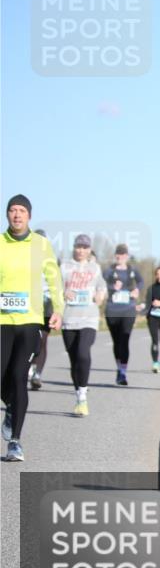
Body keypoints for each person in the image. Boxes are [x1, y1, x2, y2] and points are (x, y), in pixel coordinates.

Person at [1, 195, 64, 461]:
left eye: (22, 211)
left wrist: (58, 310)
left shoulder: (40, 245)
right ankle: (12, 407)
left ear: (29, 216)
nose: (17, 215)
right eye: (12, 210)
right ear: (7, 215)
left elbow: (53, 278)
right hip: (2, 321)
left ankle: (15, 441)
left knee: (18, 376)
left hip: (29, 322)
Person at [60, 233, 107, 416]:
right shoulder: (64, 266)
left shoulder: (95, 267)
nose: (81, 250)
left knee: (83, 353)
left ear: (89, 250)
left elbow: (102, 286)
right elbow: (54, 286)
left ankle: (82, 395)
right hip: (69, 318)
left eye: (85, 247)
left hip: (89, 318)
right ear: (74, 247)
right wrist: (64, 292)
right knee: (74, 361)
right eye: (78, 247)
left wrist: (100, 295)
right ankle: (78, 393)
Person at [104, 243, 144, 386]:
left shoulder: (132, 270)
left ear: (127, 256)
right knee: (116, 342)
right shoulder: (109, 271)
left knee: (125, 340)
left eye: (123, 254)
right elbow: (100, 285)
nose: (120, 256)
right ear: (116, 256)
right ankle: (119, 367)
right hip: (112, 310)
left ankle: (123, 372)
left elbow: (141, 281)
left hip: (128, 310)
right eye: (118, 254)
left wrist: (137, 290)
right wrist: (111, 287)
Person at [27, 229, 53, 390]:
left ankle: (37, 374)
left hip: (46, 306)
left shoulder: (51, 261)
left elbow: (58, 284)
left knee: (42, 340)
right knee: (30, 339)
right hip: (28, 306)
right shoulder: (24, 259)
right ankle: (29, 368)